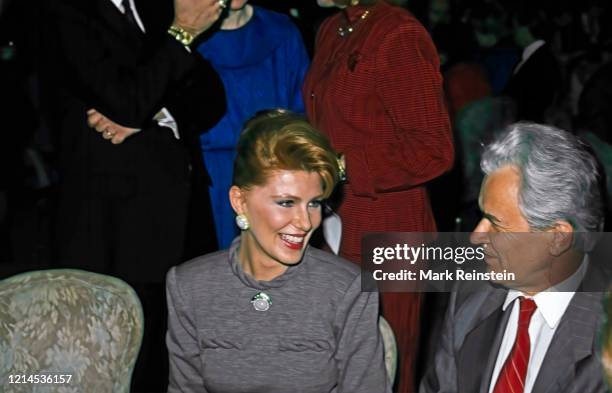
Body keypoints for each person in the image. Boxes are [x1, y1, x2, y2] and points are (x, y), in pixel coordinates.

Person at [39, 0, 226, 389]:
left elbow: (209, 100)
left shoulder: (154, 6)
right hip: (111, 225)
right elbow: (124, 98)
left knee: (176, 354)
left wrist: (150, 115)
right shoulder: (62, 12)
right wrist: (181, 35)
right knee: (115, 356)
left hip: (179, 209)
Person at [166, 110, 390, 393]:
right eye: (286, 203)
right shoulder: (189, 286)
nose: (305, 222)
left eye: (314, 203)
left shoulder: (346, 288)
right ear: (239, 201)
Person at [303, 0, 454, 391]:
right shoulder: (331, 28)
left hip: (390, 229)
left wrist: (341, 166)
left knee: (387, 362)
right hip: (335, 221)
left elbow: (433, 149)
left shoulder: (399, 34)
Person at [420, 122, 608, 393]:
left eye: (496, 224)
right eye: (481, 216)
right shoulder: (470, 295)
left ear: (557, 237)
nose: (476, 236)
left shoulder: (604, 335)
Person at [197, 0, 309, 249]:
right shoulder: (185, 33)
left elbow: (302, 114)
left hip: (272, 173)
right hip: (207, 179)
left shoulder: (282, 30)